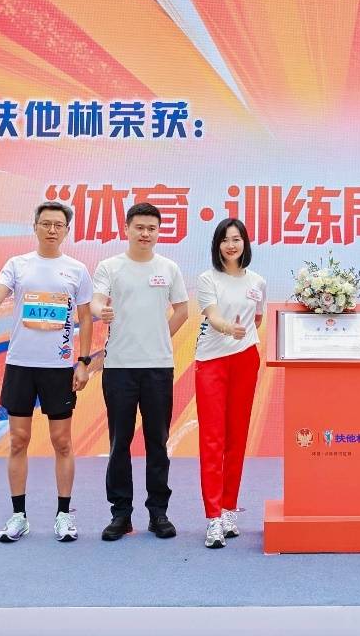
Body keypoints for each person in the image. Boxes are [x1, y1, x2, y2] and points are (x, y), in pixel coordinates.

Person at [0, 201, 93, 543]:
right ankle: (19, 516)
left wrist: (83, 362)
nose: (52, 229)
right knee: (18, 440)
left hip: (58, 367)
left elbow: (85, 318)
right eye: (46, 223)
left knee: (62, 442)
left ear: (66, 230)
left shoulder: (76, 270)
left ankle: (63, 515)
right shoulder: (17, 265)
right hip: (21, 365)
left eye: (58, 225)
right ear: (35, 227)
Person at [91, 203, 189, 541]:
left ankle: (158, 512)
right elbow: (97, 300)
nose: (145, 234)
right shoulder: (110, 266)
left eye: (152, 228)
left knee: (157, 442)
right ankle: (121, 514)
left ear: (158, 232)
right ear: (127, 229)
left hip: (158, 367)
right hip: (119, 367)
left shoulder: (168, 268)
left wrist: (159, 335)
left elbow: (182, 310)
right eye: (139, 227)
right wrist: (101, 311)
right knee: (119, 441)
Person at [193, 219, 266, 549]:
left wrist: (242, 336)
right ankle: (212, 517)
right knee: (213, 439)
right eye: (225, 240)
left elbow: (257, 319)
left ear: (245, 243)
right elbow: (212, 315)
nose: (231, 245)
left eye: (236, 239)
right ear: (217, 245)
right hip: (212, 361)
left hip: (245, 360)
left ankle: (228, 509)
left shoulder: (258, 282)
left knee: (237, 438)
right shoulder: (208, 279)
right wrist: (227, 329)